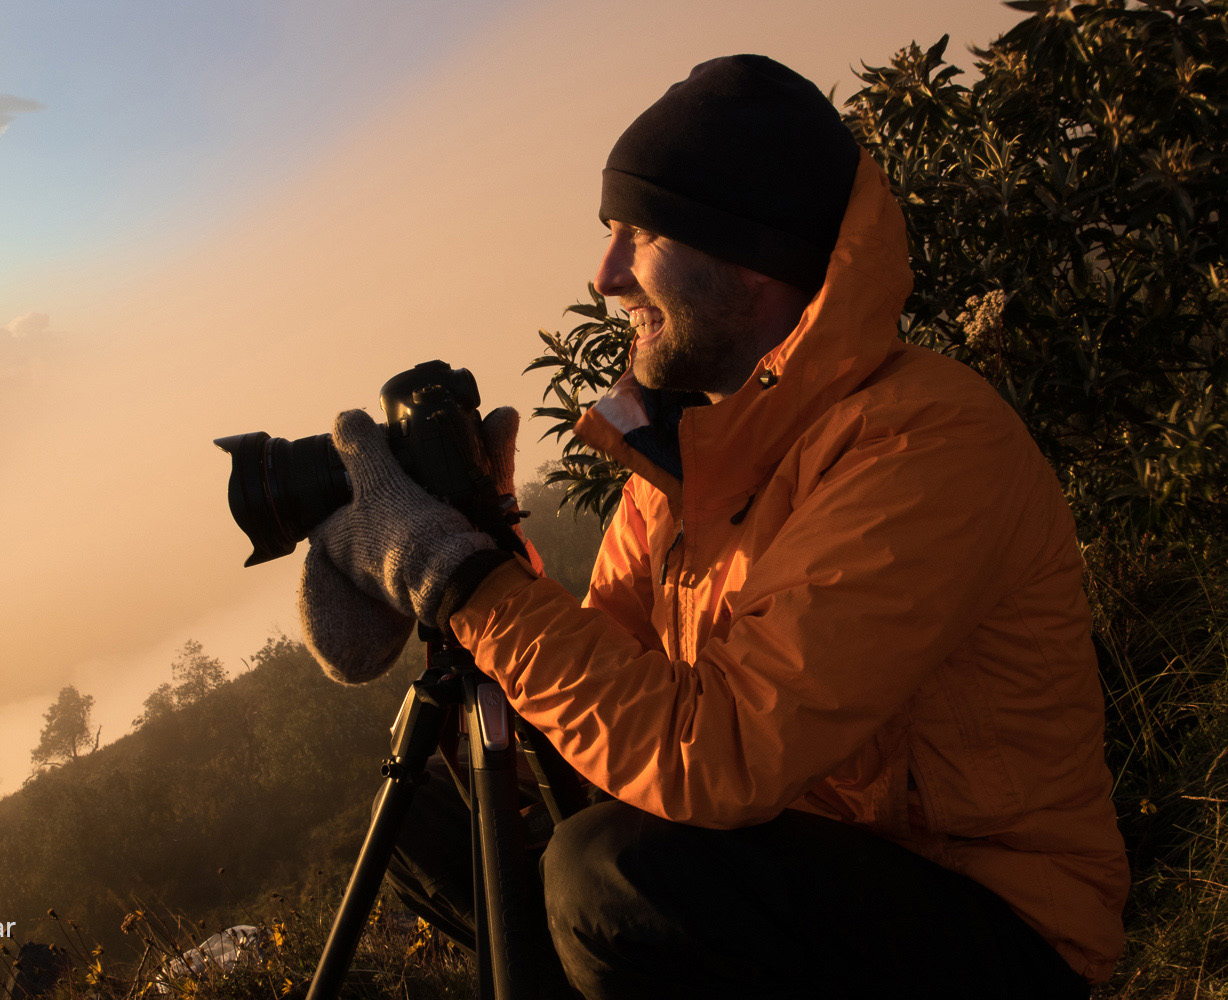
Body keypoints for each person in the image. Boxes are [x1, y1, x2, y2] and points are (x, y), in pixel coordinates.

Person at [295, 55, 1128, 998]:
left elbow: (714, 753)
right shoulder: (689, 462)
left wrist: (459, 576)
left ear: (748, 251)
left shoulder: (925, 441)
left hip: (995, 928)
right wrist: (473, 549)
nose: (604, 275)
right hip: (797, 872)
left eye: (637, 234)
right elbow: (607, 680)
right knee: (429, 824)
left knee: (606, 878)